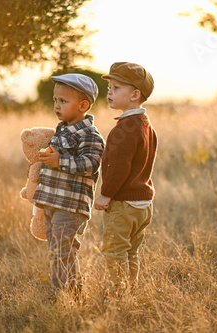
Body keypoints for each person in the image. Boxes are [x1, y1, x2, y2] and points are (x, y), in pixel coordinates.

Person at [32, 73, 105, 300]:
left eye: (63, 101)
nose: (56, 105)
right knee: (56, 252)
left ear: (83, 106)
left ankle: (72, 296)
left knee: (64, 252)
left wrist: (59, 161)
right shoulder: (61, 130)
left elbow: (91, 164)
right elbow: (54, 164)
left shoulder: (89, 134)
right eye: (55, 100)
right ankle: (62, 294)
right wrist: (41, 168)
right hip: (54, 202)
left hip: (71, 205)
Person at [94, 62, 158, 295]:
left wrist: (106, 194)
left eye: (116, 88)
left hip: (123, 204)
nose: (109, 92)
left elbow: (118, 167)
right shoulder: (145, 124)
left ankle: (118, 296)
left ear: (134, 95)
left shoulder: (124, 129)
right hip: (142, 204)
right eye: (109, 87)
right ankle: (130, 291)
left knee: (115, 252)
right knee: (130, 251)